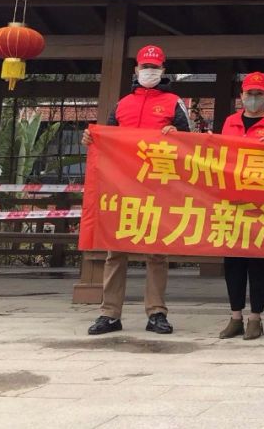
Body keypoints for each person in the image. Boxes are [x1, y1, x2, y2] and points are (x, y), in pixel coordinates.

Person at [83, 44, 190, 336]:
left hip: (158, 187)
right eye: (145, 67)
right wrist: (91, 139)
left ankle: (156, 313)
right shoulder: (122, 105)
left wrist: (177, 134)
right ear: (136, 69)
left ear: (163, 70)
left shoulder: (174, 102)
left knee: (157, 253)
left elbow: (191, 142)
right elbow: (106, 139)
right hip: (122, 187)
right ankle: (109, 314)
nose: (150, 71)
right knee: (115, 251)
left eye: (154, 67)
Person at [217, 72, 264, 341]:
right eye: (249, 93)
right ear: (241, 96)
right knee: (233, 261)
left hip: (263, 203)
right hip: (232, 201)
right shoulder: (229, 122)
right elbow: (216, 154)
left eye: (259, 94)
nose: (253, 98)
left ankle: (255, 318)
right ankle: (235, 316)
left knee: (258, 260)